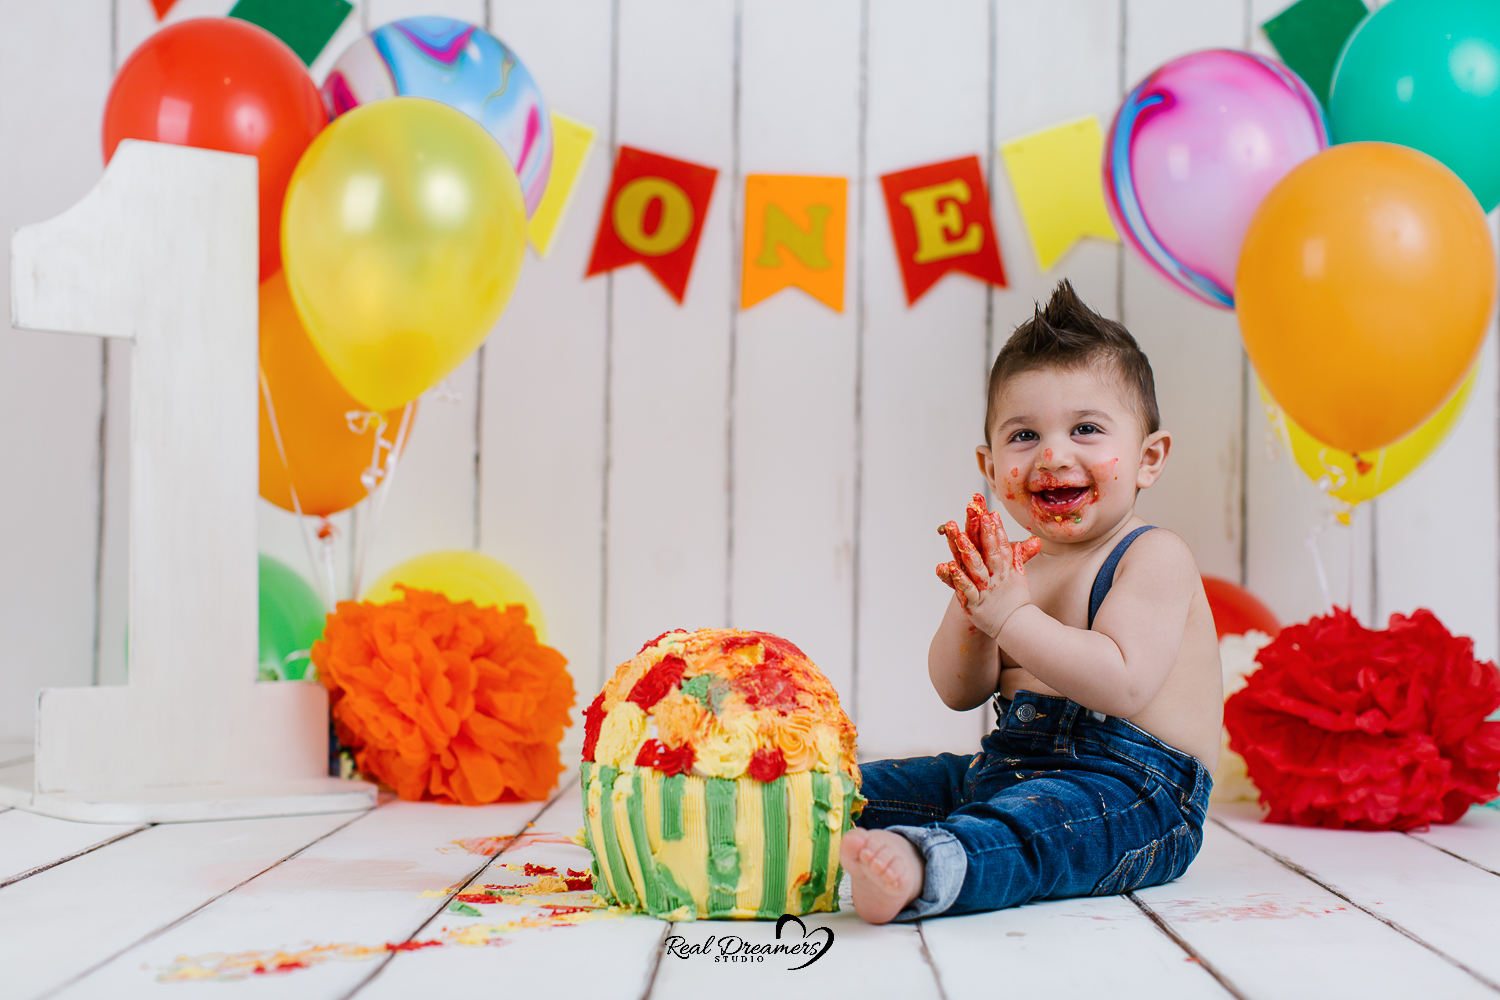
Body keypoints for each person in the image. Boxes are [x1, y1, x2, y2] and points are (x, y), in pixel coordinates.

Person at [839, 279, 1222, 924]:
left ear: (1147, 457)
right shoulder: (1012, 566)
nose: (1053, 454)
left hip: (1134, 792)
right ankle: (760, 816)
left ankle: (926, 867)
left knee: (1033, 829)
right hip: (1008, 765)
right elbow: (959, 690)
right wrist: (976, 608)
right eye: (1024, 436)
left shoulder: (1154, 557)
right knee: (863, 789)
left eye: (1086, 429)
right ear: (991, 469)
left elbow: (1123, 684)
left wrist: (1010, 616)